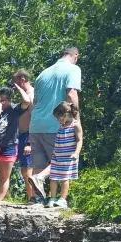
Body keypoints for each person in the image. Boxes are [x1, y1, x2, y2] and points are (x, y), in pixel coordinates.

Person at [28, 47, 81, 203]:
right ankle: (48, 188)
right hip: (56, 125)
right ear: (75, 56)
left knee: (39, 163)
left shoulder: (43, 74)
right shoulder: (73, 69)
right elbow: (72, 94)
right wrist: (76, 119)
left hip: (36, 124)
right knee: (59, 162)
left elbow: (35, 102)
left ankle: (38, 199)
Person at [46, 101, 82, 208]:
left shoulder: (75, 125)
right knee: (53, 177)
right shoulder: (62, 125)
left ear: (66, 113)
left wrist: (76, 153)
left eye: (60, 117)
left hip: (69, 157)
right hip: (57, 156)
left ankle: (62, 199)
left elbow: (80, 141)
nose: (59, 120)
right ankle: (52, 198)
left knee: (65, 178)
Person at [11, 69, 36, 202]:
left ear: (22, 79)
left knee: (29, 170)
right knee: (24, 170)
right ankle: (30, 197)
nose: (15, 86)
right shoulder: (26, 95)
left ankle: (34, 197)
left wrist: (30, 143)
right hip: (21, 135)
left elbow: (35, 118)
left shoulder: (32, 95)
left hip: (29, 136)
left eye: (16, 82)